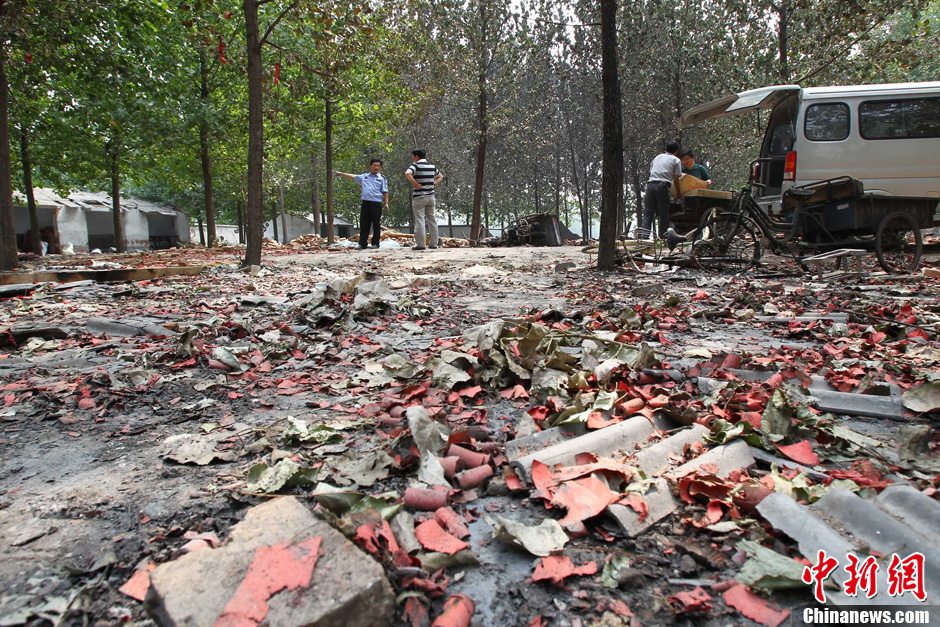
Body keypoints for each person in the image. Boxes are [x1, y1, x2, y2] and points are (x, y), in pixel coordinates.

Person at [334, 159, 389, 249]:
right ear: (370, 166)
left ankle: (375, 244)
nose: (377, 167)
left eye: (379, 166)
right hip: (366, 203)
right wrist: (341, 174)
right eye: (375, 165)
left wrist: (386, 203)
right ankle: (362, 243)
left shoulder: (382, 178)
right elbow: (353, 177)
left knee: (376, 224)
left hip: (376, 204)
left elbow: (385, 191)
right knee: (364, 224)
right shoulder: (365, 177)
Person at [641, 141, 686, 249]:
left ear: (665, 149)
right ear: (676, 151)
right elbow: (676, 178)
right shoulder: (676, 160)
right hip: (662, 186)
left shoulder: (657, 157)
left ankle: (643, 239)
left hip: (650, 185)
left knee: (648, 213)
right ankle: (663, 239)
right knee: (664, 215)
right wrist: (679, 194)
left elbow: (652, 171)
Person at [404, 149, 443, 250]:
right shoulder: (432, 166)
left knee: (420, 220)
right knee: (432, 220)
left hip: (419, 197)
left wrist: (415, 183)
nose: (412, 158)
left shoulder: (415, 165)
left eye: (413, 156)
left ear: (416, 156)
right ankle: (434, 244)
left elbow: (407, 173)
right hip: (431, 197)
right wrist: (434, 183)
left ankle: (421, 244)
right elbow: (440, 176)